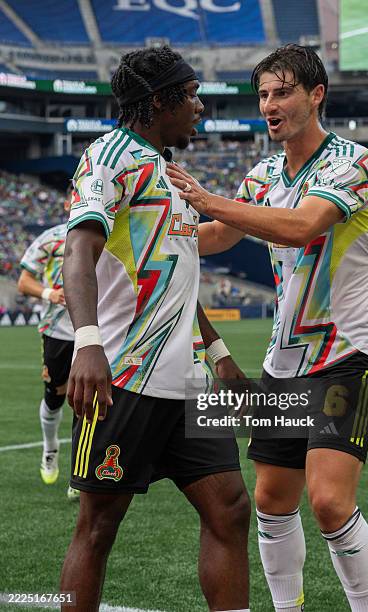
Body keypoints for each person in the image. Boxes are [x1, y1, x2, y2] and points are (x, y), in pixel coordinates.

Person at [167, 44, 368, 612]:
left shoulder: (351, 162)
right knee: (269, 499)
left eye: (282, 91)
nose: (269, 104)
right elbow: (219, 234)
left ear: (316, 96)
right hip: (283, 361)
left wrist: (210, 200)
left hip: (348, 354)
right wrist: (162, 235)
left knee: (330, 503)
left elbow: (300, 226)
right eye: (263, 94)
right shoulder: (263, 172)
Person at [60, 46, 251, 612]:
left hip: (184, 383)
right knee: (98, 527)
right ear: (159, 100)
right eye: (191, 95)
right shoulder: (108, 157)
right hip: (123, 378)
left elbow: (174, 277)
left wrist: (216, 352)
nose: (200, 107)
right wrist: (87, 345)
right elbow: (79, 249)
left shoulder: (171, 174)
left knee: (231, 509)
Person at [18, 187, 79, 501]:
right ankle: (50, 447)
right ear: (68, 203)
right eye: (74, 196)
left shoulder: (110, 236)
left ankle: (83, 472)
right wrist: (49, 294)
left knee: (94, 397)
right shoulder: (51, 238)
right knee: (55, 396)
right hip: (57, 329)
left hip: (98, 329)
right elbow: (24, 280)